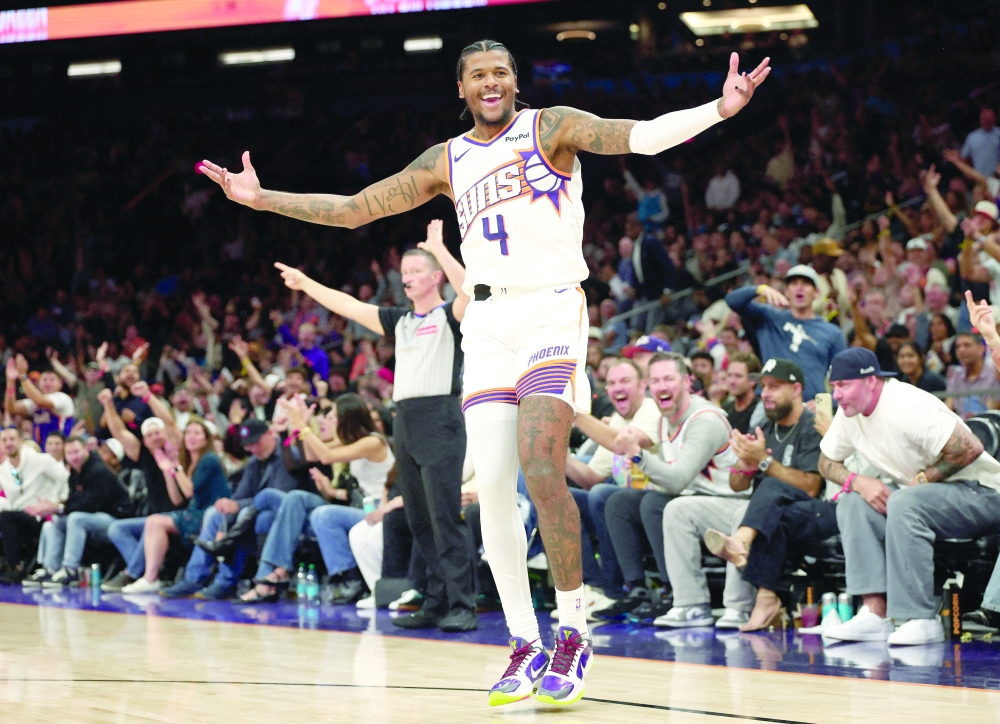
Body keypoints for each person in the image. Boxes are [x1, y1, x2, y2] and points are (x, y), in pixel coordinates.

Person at [202, 39, 770, 706]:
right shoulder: (448, 158)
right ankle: (525, 644)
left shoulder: (549, 127)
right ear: (463, 90)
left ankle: (572, 630)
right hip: (489, 326)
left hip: (553, 311)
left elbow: (638, 138)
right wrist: (261, 198)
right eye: (478, 75)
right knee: (495, 491)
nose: (491, 81)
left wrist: (720, 109)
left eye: (501, 71)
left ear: (514, 81)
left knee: (538, 460)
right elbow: (357, 208)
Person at [274, 220, 476, 632]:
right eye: (403, 273)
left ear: (435, 275)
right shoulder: (399, 320)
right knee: (419, 519)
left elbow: (471, 291)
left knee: (443, 516)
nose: (407, 278)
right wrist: (305, 283)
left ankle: (463, 604)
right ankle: (435, 599)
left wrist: (438, 247)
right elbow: (347, 305)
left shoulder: (449, 315)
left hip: (440, 417)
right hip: (405, 420)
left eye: (415, 271)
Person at [819, 343, 1000, 646]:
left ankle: (920, 618)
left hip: (982, 493)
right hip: (931, 499)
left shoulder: (906, 405)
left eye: (844, 386)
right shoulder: (850, 413)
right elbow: (826, 462)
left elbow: (969, 448)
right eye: (834, 386)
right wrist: (857, 480)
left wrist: (922, 479)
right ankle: (874, 614)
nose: (836, 394)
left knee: (904, 500)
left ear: (871, 381)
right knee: (853, 501)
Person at [597, 353, 747, 625]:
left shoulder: (705, 420)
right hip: (696, 500)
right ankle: (637, 589)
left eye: (669, 378)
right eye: (655, 380)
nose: (662, 386)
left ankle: (689, 601)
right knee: (620, 502)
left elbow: (677, 480)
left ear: (687, 381)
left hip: (730, 503)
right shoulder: (665, 417)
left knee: (665, 505)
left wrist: (638, 455)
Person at [701, 359, 829, 631]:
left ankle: (739, 544)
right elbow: (736, 484)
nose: (765, 394)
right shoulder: (764, 429)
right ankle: (764, 598)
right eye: (763, 387)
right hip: (772, 514)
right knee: (769, 507)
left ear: (796, 389)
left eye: (774, 387)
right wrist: (747, 467)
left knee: (770, 490)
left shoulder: (812, 426)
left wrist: (764, 463)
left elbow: (811, 487)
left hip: (814, 512)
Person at [239, 394, 394, 603]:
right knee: (295, 498)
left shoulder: (373, 442)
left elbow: (325, 456)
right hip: (360, 506)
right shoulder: (354, 441)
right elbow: (311, 455)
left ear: (347, 417)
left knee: (324, 515)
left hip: (379, 508)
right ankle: (278, 570)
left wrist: (302, 424)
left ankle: (349, 580)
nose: (328, 419)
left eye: (333, 416)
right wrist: (299, 425)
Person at [160, 419, 299, 599]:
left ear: (269, 434)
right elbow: (239, 497)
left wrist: (237, 507)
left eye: (256, 442)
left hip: (284, 514)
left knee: (246, 515)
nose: (253, 449)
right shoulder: (253, 462)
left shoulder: (286, 456)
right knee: (215, 513)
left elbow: (278, 497)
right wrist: (226, 512)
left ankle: (226, 581)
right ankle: (193, 578)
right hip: (253, 510)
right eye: (248, 445)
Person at [565, 359, 661, 603]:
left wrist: (573, 412)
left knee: (603, 495)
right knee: (565, 500)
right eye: (611, 382)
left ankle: (615, 589)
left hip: (656, 502)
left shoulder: (652, 411)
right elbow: (590, 477)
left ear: (642, 386)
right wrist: (553, 454)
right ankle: (590, 587)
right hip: (625, 503)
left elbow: (623, 443)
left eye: (625, 381)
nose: (617, 387)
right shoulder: (617, 420)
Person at [120, 418, 230, 593]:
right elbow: (176, 499)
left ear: (206, 438)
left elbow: (189, 491)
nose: (191, 437)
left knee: (155, 522)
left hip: (212, 515)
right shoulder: (188, 462)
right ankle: (150, 577)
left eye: (197, 433)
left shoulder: (208, 460)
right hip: (194, 513)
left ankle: (150, 578)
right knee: (153, 521)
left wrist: (175, 466)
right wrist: (166, 470)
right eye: (188, 433)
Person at [99, 384, 184, 592]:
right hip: (154, 517)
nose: (155, 436)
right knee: (117, 528)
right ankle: (148, 570)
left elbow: (170, 422)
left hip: (177, 514)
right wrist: (108, 404)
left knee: (150, 525)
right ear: (144, 441)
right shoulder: (143, 454)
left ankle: (132, 574)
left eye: (158, 432)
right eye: (150, 434)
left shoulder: (176, 449)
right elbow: (119, 432)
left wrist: (148, 396)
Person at [726, 265, 846, 401]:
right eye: (794, 283)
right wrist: (760, 289)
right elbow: (732, 301)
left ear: (817, 292)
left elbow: (845, 378)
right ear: (786, 291)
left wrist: (825, 402)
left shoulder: (832, 332)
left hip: (810, 407)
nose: (799, 288)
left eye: (806, 283)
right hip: (769, 403)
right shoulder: (769, 318)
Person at [26, 436, 133, 587]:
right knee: (55, 521)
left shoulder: (98, 470)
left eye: (76, 451)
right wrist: (56, 508)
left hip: (115, 519)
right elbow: (74, 501)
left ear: (85, 450)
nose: (73, 457)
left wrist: (59, 507)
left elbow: (90, 505)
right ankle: (50, 568)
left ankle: (70, 569)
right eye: (69, 453)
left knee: (75, 518)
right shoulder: (75, 474)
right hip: (94, 519)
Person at [0, 427, 70, 582]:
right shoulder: (3, 469)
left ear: (21, 442)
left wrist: (58, 502)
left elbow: (66, 479)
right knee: (5, 517)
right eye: (4, 440)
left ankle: (16, 568)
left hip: (41, 517)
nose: (8, 443)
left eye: (12, 439)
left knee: (5, 517)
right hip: (17, 517)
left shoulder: (41, 460)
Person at [5, 356, 75, 447]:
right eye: (44, 379)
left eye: (52, 380)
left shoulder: (63, 398)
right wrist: (10, 380)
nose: (48, 383)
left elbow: (40, 401)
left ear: (60, 384)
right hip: (42, 452)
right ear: (39, 384)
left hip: (60, 451)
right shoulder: (34, 402)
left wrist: (22, 375)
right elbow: (11, 408)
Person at [946, 332, 999, 419]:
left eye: (967, 345)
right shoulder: (955, 376)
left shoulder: (995, 375)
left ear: (981, 349)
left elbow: (990, 411)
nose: (961, 350)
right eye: (958, 347)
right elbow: (948, 409)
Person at [721, 351, 763, 434]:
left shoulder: (761, 411)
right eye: (729, 375)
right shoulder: (725, 409)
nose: (732, 381)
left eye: (738, 376)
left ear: (753, 380)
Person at [961, 108, 1000, 178]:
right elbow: (964, 158)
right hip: (981, 178)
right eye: (985, 119)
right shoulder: (972, 137)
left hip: (997, 176)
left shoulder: (998, 133)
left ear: (994, 119)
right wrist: (969, 175)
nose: (987, 121)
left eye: (989, 119)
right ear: (981, 120)